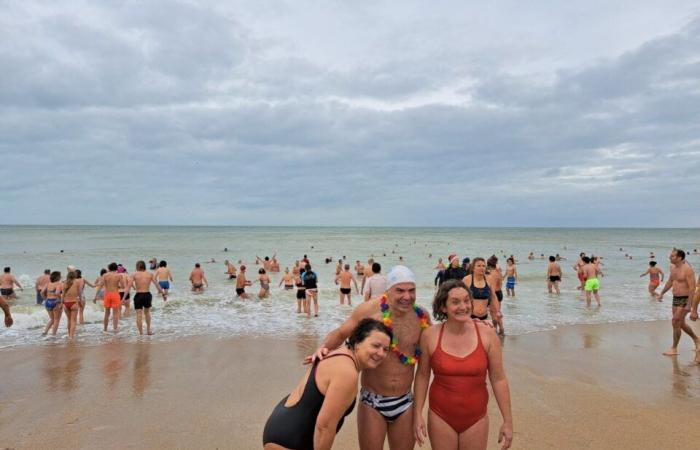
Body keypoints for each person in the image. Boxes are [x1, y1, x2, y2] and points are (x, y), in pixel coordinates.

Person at [308, 266, 431, 450]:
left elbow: (428, 359)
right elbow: (341, 334)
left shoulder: (421, 317)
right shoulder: (369, 311)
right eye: (400, 290)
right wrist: (323, 348)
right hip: (373, 401)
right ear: (388, 291)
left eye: (411, 290)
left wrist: (474, 322)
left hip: (405, 401)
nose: (407, 296)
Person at [413, 279, 513, 450]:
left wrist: (508, 421)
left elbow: (498, 379)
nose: (463, 306)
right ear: (443, 307)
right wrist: (417, 414)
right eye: (455, 302)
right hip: (440, 416)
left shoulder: (487, 335)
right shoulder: (430, 335)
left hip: (476, 418)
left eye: (467, 300)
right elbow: (422, 376)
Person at [263, 319, 392, 450]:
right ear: (358, 342)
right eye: (375, 346)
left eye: (386, 349)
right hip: (289, 442)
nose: (381, 353)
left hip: (280, 429)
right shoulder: (346, 372)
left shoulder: (338, 353)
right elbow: (324, 426)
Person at [658, 249, 699, 361]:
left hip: (685, 298)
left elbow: (692, 288)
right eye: (670, 256)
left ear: (680, 257)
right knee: (680, 324)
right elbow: (670, 282)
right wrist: (661, 293)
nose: (670, 258)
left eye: (672, 256)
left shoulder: (688, 270)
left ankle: (674, 348)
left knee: (675, 321)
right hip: (676, 298)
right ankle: (696, 339)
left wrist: (689, 305)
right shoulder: (673, 268)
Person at [124, 260, 164, 335]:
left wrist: (123, 298)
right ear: (144, 266)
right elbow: (157, 285)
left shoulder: (134, 275)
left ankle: (141, 333)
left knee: (139, 314)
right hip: (147, 295)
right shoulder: (150, 274)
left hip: (138, 295)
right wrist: (163, 294)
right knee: (147, 313)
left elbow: (128, 287)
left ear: (137, 266)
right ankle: (148, 331)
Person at [463, 258, 501, 332]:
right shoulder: (467, 280)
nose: (482, 268)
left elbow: (493, 297)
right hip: (470, 317)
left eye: (483, 266)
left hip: (484, 317)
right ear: (473, 268)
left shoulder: (489, 279)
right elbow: (460, 297)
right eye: (479, 266)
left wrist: (498, 311)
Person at [102, 262, 124, 333]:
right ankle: (115, 329)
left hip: (107, 294)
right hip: (115, 294)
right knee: (115, 313)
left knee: (106, 313)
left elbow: (104, 285)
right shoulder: (119, 275)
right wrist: (118, 286)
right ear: (116, 268)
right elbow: (123, 286)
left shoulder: (105, 275)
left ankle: (105, 329)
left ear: (109, 268)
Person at [486, 256, 504, 334]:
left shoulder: (492, 274)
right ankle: (499, 330)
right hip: (499, 292)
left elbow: (492, 290)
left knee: (494, 314)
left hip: (494, 294)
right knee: (497, 312)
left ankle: (499, 330)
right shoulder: (498, 271)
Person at [41, 271, 63, 336]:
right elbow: (57, 293)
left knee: (52, 319)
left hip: (48, 302)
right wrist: (60, 300)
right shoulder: (59, 284)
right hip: (55, 302)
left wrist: (45, 299)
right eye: (60, 275)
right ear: (58, 277)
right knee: (56, 320)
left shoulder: (48, 284)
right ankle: (53, 334)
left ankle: (45, 332)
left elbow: (42, 292)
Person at [61, 271, 80, 340]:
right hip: (74, 303)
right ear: (74, 276)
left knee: (69, 320)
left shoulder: (64, 283)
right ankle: (71, 337)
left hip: (66, 304)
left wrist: (61, 303)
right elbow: (79, 293)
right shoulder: (77, 282)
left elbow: (62, 295)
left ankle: (69, 335)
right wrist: (80, 300)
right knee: (73, 321)